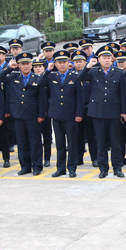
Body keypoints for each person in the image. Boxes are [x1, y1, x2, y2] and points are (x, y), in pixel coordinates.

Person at [77, 45, 126, 178]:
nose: (106, 60)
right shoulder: (93, 72)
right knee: (100, 142)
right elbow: (79, 78)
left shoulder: (119, 72)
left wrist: (124, 111)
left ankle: (117, 168)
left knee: (115, 142)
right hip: (98, 112)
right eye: (103, 58)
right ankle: (103, 169)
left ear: (112, 59)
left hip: (114, 111)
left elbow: (123, 93)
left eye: (108, 58)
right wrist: (88, 66)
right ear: (98, 59)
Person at [0, 51, 45, 176]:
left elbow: (41, 99)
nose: (25, 66)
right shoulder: (14, 77)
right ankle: (25, 166)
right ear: (18, 65)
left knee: (35, 142)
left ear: (31, 65)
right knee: (22, 142)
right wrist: (9, 68)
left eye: (28, 63)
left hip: (33, 116)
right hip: (18, 115)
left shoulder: (37, 78)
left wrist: (41, 115)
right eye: (22, 64)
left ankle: (37, 166)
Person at [38, 50, 83, 178]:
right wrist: (48, 69)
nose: (62, 65)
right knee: (60, 144)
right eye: (59, 63)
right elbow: (40, 83)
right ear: (55, 64)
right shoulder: (52, 76)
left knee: (72, 143)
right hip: (56, 115)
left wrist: (79, 114)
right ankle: (61, 168)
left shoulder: (75, 76)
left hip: (71, 115)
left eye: (64, 62)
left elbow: (80, 97)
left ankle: (72, 167)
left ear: (69, 63)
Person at [32, 58, 52, 167]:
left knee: (47, 136)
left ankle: (47, 157)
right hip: (34, 112)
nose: (38, 68)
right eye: (35, 67)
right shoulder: (31, 79)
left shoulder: (47, 78)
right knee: (35, 138)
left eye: (40, 66)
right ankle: (36, 157)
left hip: (46, 112)